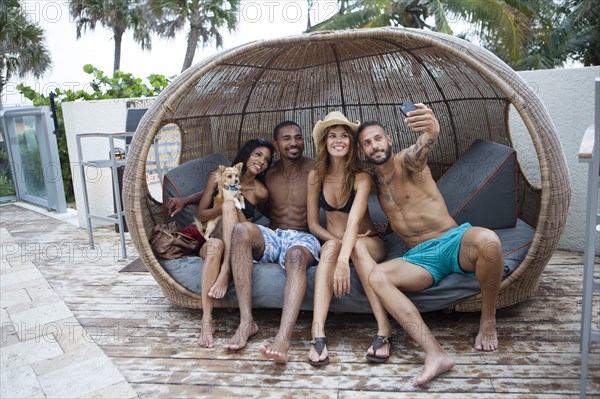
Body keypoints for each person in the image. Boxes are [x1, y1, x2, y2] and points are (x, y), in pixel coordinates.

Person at [356, 103, 504, 385]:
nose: (374, 146)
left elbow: (421, 149)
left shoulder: (406, 162)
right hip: (422, 258)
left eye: (377, 138)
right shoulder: (373, 181)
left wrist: (431, 132)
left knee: (488, 242)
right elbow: (402, 209)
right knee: (378, 275)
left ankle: (488, 320)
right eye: (366, 143)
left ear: (388, 139)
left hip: (452, 241)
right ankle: (435, 353)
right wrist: (379, 229)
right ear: (362, 152)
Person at [223, 121, 320, 364]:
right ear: (277, 144)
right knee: (241, 230)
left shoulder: (316, 168)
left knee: (295, 257)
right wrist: (188, 199)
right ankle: (247, 322)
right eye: (286, 139)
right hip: (274, 235)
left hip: (303, 236)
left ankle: (282, 338)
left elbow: (346, 183)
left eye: (298, 137)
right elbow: (241, 183)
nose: (294, 143)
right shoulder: (269, 172)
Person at [166, 138, 275, 348]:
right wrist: (227, 202)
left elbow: (266, 220)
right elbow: (202, 213)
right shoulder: (217, 177)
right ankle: (206, 322)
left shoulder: (261, 191)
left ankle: (226, 270)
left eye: (267, 160)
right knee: (217, 239)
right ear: (247, 154)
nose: (262, 161)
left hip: (240, 240)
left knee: (230, 208)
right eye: (258, 155)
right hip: (214, 238)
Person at [306, 111, 391, 367]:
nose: (339, 140)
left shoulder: (361, 178)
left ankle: (384, 330)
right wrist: (339, 246)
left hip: (367, 242)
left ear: (352, 144)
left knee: (355, 247)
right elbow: (312, 224)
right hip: (338, 241)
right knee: (331, 246)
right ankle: (317, 334)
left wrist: (345, 258)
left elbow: (354, 223)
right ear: (325, 142)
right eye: (332, 136)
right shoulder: (315, 177)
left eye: (344, 136)